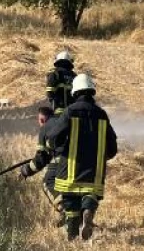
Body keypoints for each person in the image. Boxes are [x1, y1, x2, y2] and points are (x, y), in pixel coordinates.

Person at [20, 73, 118, 241]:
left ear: (75, 92)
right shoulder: (101, 114)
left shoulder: (69, 112)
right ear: (92, 91)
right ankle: (88, 212)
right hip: (93, 171)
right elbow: (112, 148)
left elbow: (54, 137)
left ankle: (72, 236)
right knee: (90, 194)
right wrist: (99, 158)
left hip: (70, 168)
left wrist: (56, 148)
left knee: (71, 202)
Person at [46, 50, 77, 115]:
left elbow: (49, 93)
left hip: (58, 112)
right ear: (70, 62)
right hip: (72, 112)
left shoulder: (54, 73)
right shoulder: (74, 76)